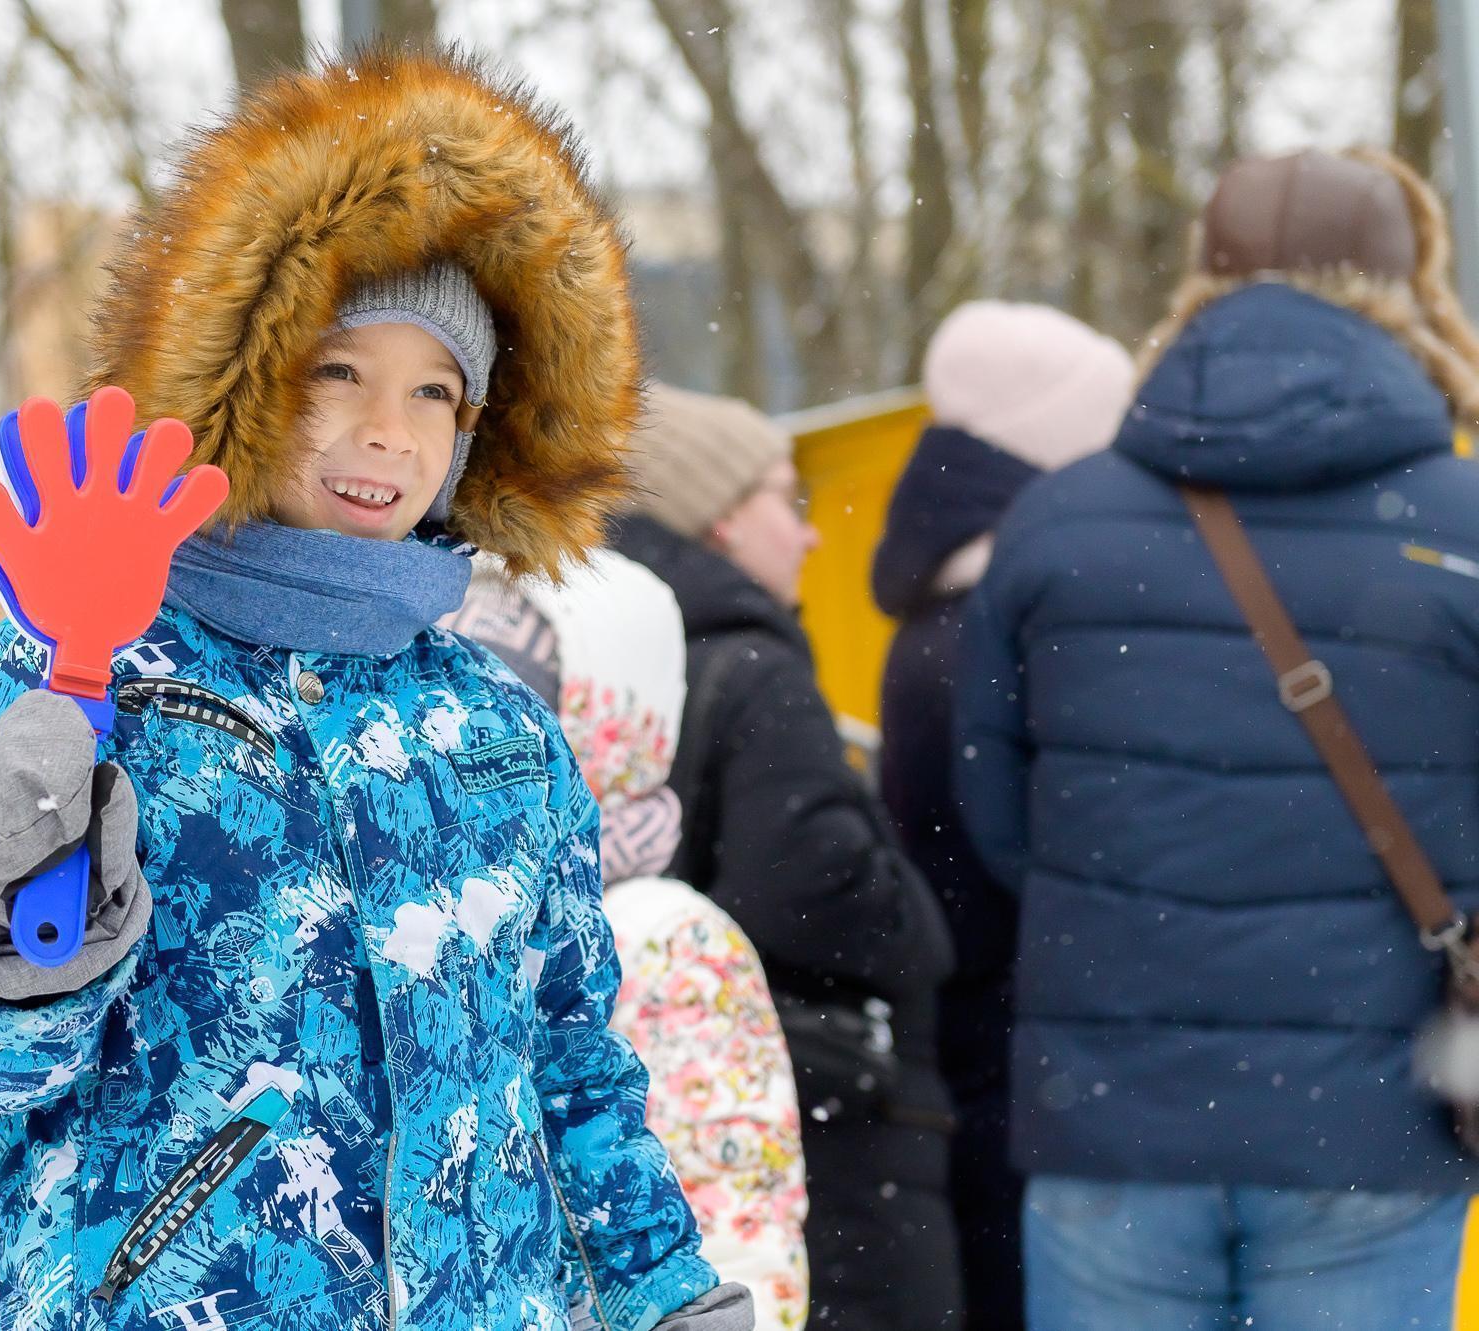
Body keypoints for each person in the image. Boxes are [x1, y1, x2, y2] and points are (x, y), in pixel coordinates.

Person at [0, 49, 745, 1331]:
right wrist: (3, 928)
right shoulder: (90, 667)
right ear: (249, 383)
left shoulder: (495, 727)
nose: (388, 430)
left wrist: (663, 1288)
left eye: (434, 392)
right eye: (339, 373)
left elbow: (571, 1058)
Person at [955, 148, 1479, 1329]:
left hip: (1111, 1114)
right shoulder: (1460, 525)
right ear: (1404, 292)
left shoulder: (1054, 523)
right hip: (1372, 1119)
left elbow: (993, 819)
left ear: (1198, 283)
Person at [610, 382, 960, 1331]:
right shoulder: (754, 666)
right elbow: (812, 881)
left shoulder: (607, 654)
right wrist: (923, 931)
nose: (808, 534)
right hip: (818, 1114)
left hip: (659, 1113)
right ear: (720, 517)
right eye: (783, 496)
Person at [445, 550, 812, 1329]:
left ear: (599, 720)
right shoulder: (445, 913)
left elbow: (740, 1222)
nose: (463, 738)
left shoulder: (661, 932)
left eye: (510, 699)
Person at [871, 301, 1134, 1331]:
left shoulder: (950, 615)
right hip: (1018, 1068)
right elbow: (1003, 865)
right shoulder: (993, 632)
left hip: (987, 1059)